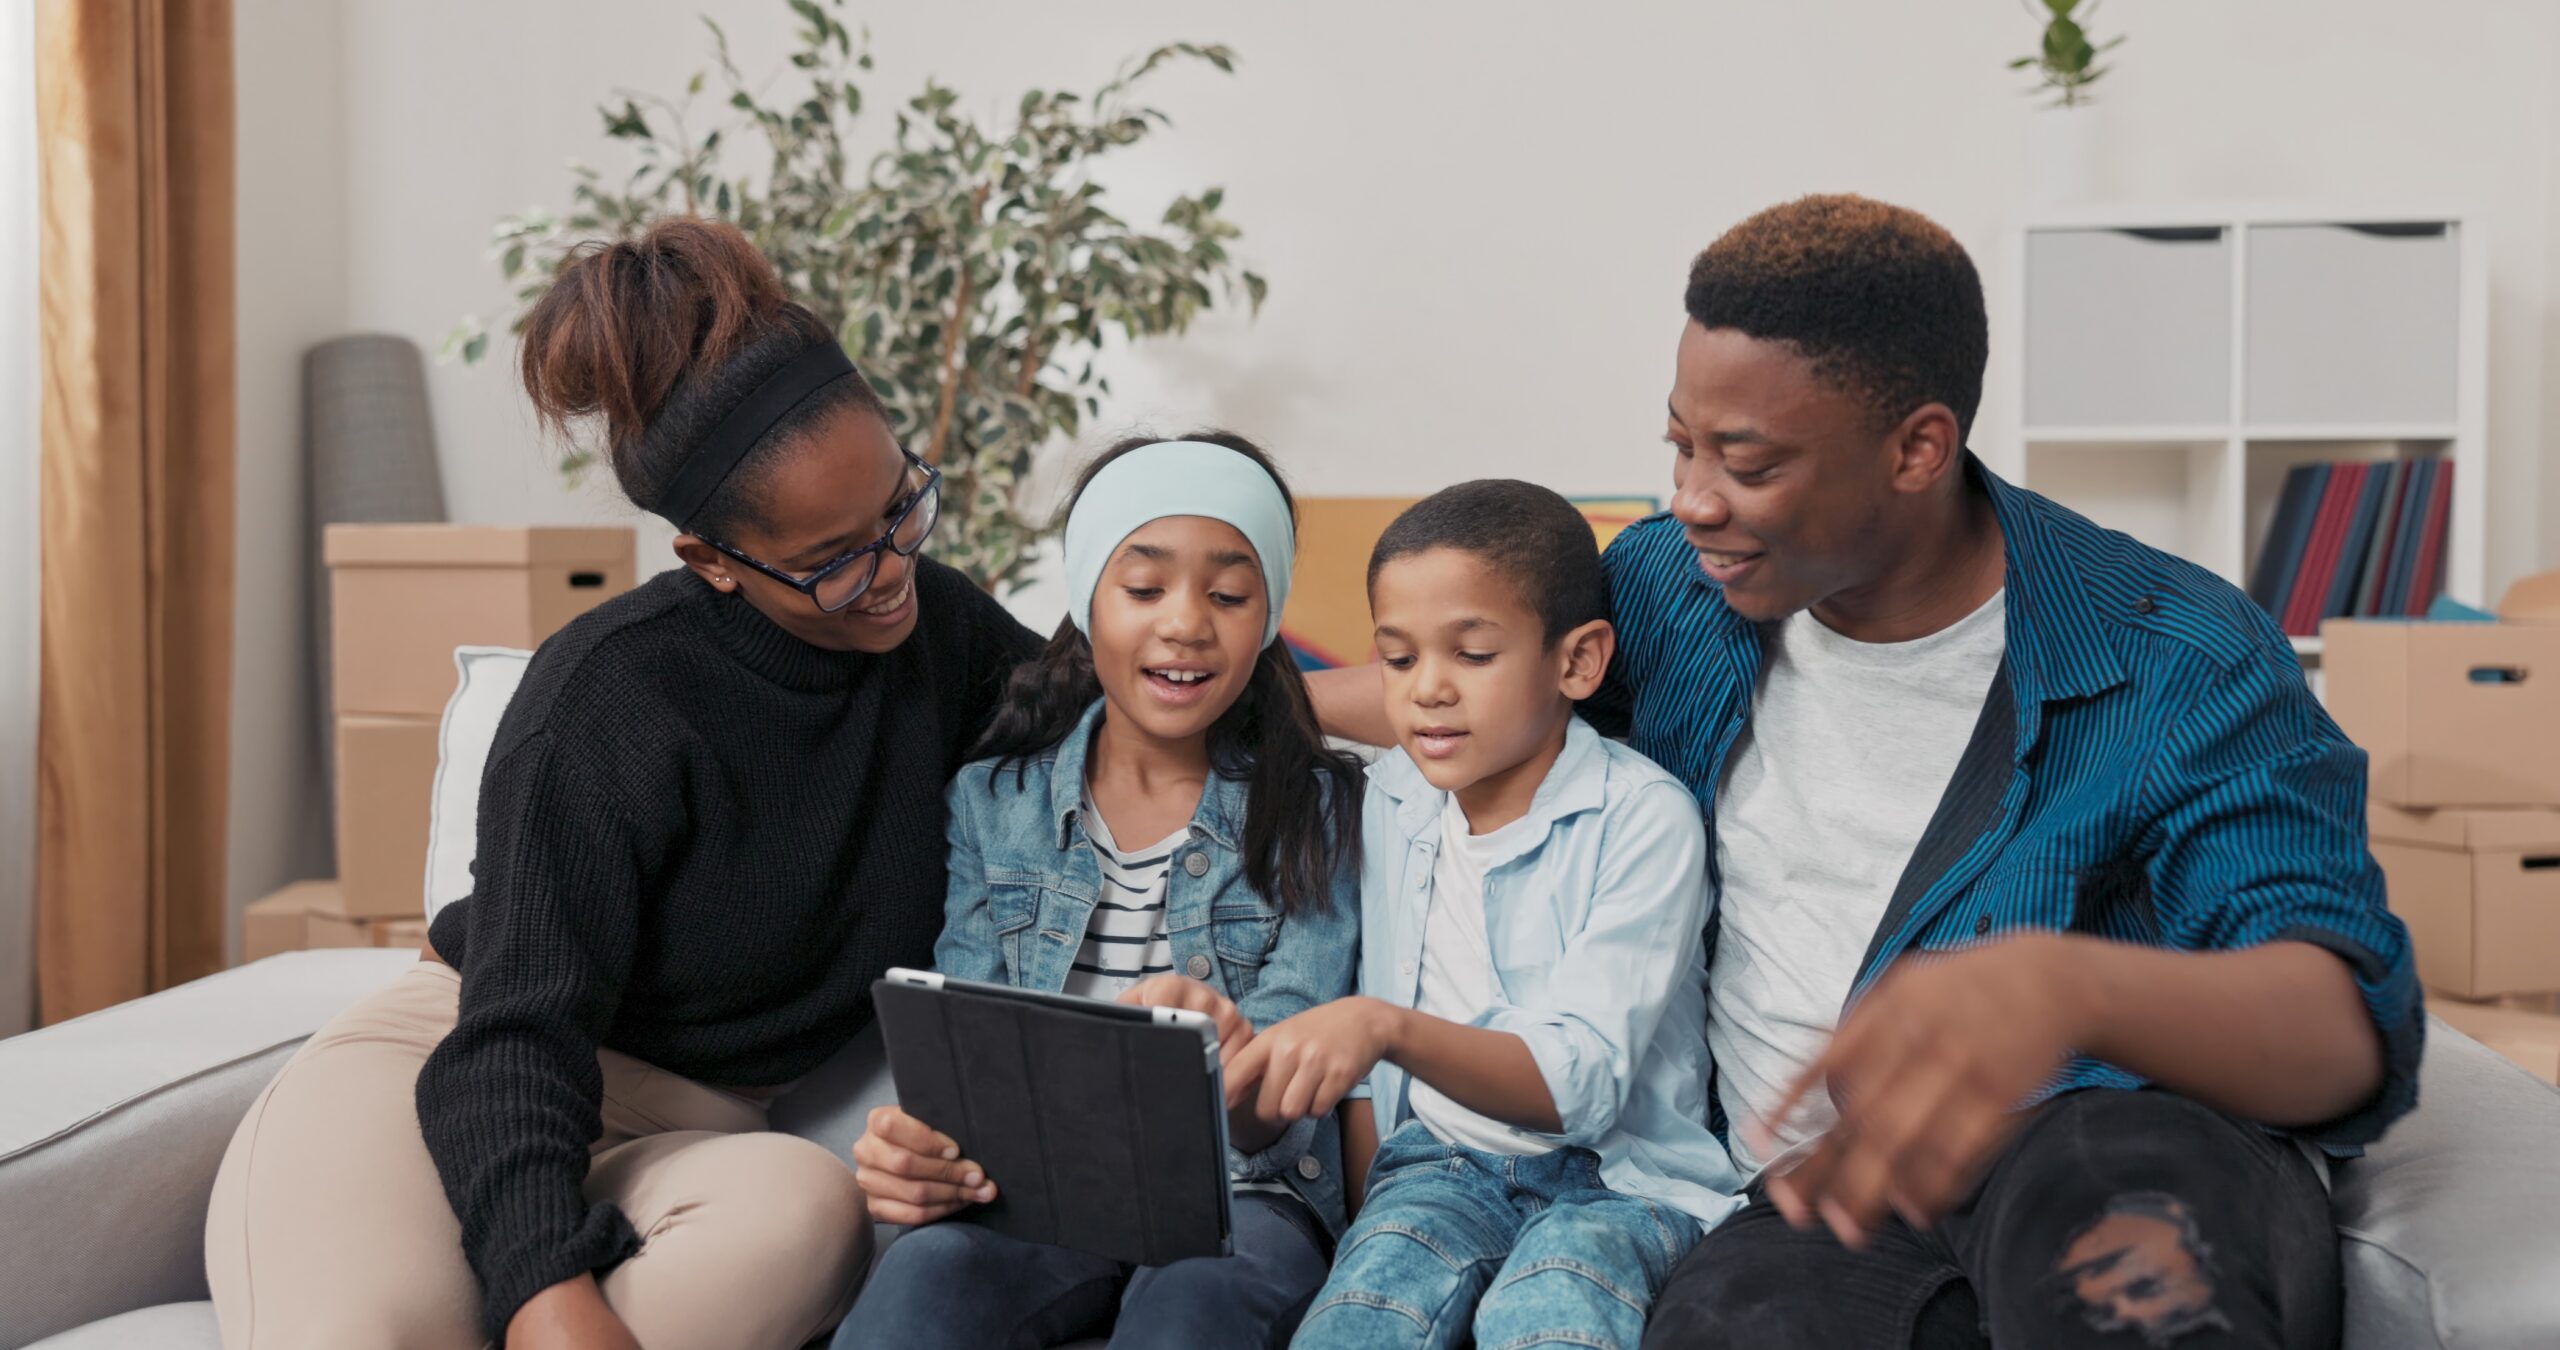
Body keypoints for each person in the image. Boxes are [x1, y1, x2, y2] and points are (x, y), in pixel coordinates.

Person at [1311, 194, 2423, 1350]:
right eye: (1681, 445)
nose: (1691, 498)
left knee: (2126, 1270)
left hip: (2095, 1135)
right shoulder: (1668, 589)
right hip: (1808, 1197)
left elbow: (2342, 1031)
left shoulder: (2173, 655)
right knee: (1727, 1325)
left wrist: (2065, 988)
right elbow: (1467, 685)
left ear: (1916, 447)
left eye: (1746, 462)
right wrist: (1220, 700)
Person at [204, 218, 1043, 1350]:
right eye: (833, 560)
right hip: (451, 1083)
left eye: (903, 507)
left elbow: (1129, 706)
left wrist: (1353, 693)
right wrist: (548, 1296)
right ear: (710, 561)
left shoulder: (941, 632)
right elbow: (513, 1035)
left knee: (808, 1209)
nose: (891, 572)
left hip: (678, 1145)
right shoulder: (607, 697)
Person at [832, 433, 1365, 1349]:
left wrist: (1231, 1058)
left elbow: (1287, 1109)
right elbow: (972, 1041)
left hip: (1248, 1202)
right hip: (1041, 1195)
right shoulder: (993, 802)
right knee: (925, 1274)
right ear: (1086, 601)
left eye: (1230, 594)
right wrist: (925, 1147)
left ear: (1269, 614)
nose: (1187, 624)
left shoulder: (1316, 807)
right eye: (1145, 587)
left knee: (1195, 1304)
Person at [1249, 481, 1741, 1350]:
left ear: (1579, 662)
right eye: (1399, 661)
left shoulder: (1643, 817)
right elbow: (1292, 707)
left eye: (1473, 656)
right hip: (1436, 1170)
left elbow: (1581, 1084)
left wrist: (1386, 1028)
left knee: (1551, 1311)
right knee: (1362, 1318)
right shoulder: (1394, 796)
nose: (1428, 691)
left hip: (1622, 1183)